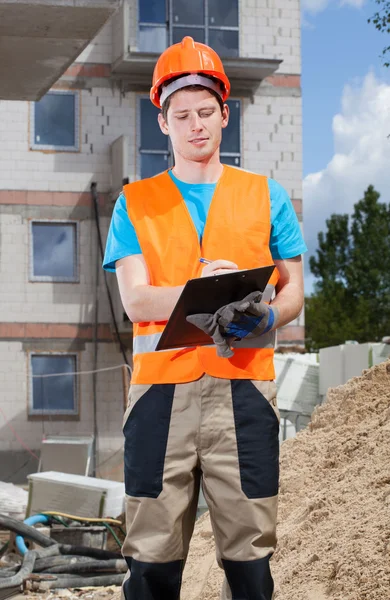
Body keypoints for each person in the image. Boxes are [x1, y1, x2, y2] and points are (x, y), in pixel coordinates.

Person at [103, 36, 307, 600]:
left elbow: (293, 297)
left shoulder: (267, 196)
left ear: (224, 114)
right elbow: (136, 300)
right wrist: (208, 293)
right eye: (182, 114)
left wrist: (260, 318)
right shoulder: (135, 202)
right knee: (150, 563)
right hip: (159, 396)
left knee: (250, 563)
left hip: (242, 393)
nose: (196, 125)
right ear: (162, 121)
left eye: (205, 112)